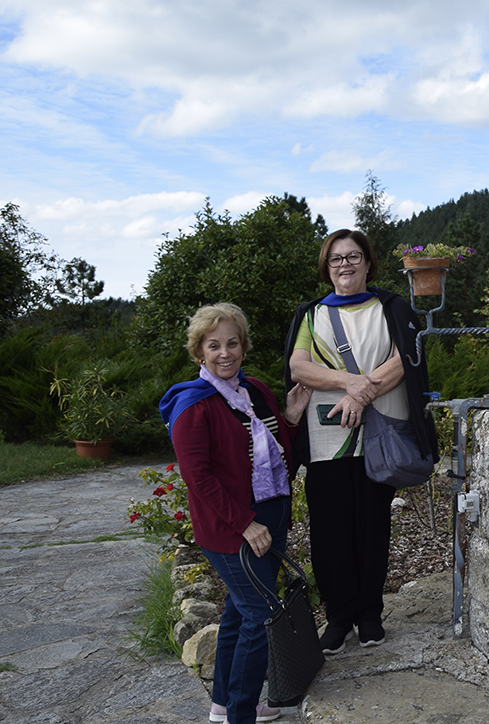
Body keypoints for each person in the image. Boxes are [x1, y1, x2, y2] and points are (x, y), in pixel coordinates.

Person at [284, 229, 437, 654]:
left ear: (368, 263)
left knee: (372, 526)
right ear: (326, 267)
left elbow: (405, 360)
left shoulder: (392, 308)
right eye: (336, 258)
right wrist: (350, 382)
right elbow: (299, 367)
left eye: (353, 256)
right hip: (327, 438)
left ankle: (369, 615)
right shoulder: (311, 315)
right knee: (329, 531)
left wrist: (360, 394)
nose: (345, 265)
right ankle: (338, 618)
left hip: (380, 434)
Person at [158, 303, 311, 724]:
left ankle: (223, 704)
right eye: (214, 345)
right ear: (199, 352)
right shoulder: (193, 406)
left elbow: (275, 450)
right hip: (232, 529)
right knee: (261, 615)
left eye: (232, 343)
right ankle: (241, 715)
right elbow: (198, 478)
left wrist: (291, 417)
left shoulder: (255, 390)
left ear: (243, 346)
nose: (224, 353)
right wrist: (245, 523)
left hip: (272, 516)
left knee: (238, 613)